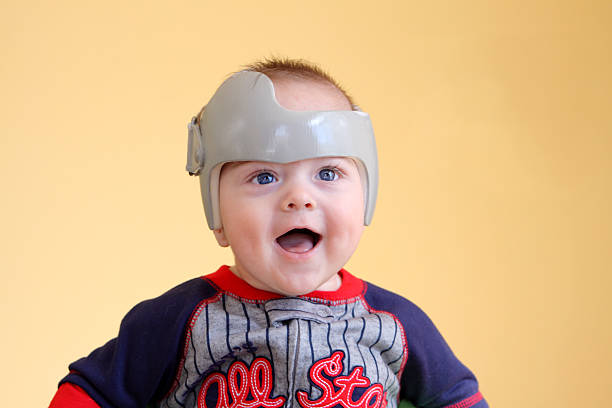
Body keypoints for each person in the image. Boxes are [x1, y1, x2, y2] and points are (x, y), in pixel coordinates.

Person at [50, 58, 488, 408]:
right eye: (263, 177)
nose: (299, 198)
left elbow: (459, 399)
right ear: (216, 211)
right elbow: (90, 392)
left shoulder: (396, 323)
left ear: (366, 197)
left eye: (329, 172)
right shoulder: (180, 320)